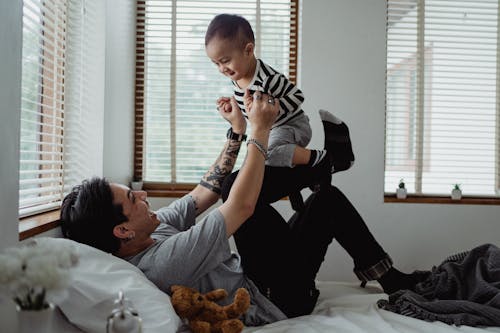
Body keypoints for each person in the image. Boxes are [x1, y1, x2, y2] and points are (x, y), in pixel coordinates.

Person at [60, 93, 425, 326]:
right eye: (131, 199)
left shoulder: (152, 229)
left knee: (326, 200)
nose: (142, 197)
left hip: (279, 278)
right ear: (122, 231)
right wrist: (260, 132)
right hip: (276, 299)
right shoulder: (161, 262)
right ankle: (324, 166)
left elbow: (205, 191)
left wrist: (236, 132)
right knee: (238, 187)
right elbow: (241, 206)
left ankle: (389, 277)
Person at [205, 13, 354, 173]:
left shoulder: (269, 79)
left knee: (266, 155)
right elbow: (251, 110)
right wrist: (234, 105)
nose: (222, 69)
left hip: (292, 125)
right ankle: (308, 168)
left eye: (226, 61)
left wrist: (273, 110)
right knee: (255, 158)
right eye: (216, 63)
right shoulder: (236, 77)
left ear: (248, 50)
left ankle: (324, 159)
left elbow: (298, 97)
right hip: (270, 131)